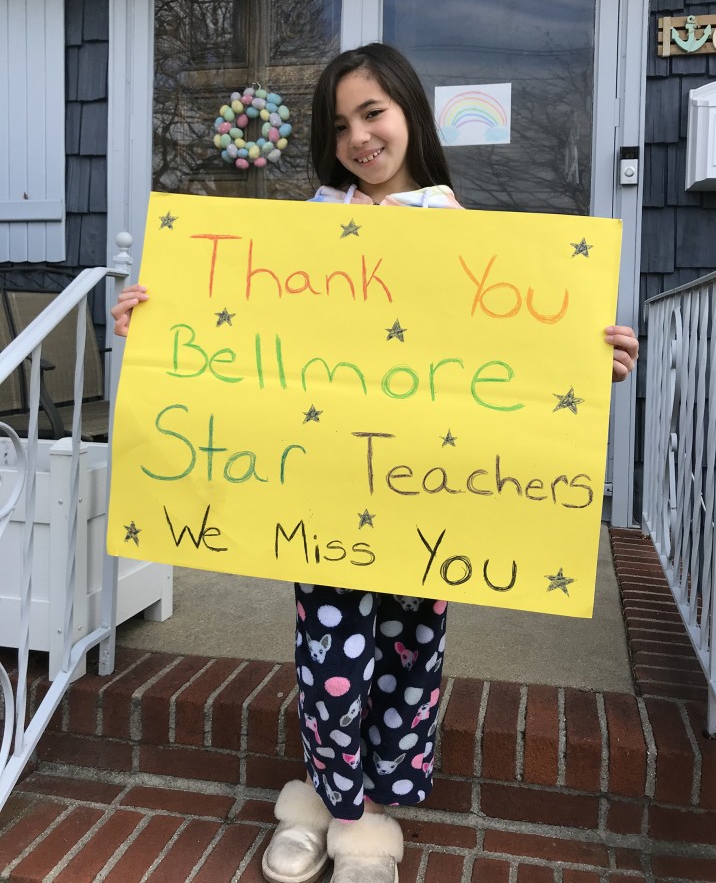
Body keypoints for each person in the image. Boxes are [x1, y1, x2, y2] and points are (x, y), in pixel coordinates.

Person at [112, 43, 639, 883]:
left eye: (374, 113)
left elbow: (514, 345)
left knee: (409, 655)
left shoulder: (468, 233)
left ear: (410, 117)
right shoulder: (304, 230)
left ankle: (375, 809)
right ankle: (334, 800)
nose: (360, 135)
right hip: (325, 497)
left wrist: (588, 355)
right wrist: (159, 319)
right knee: (329, 656)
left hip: (427, 496)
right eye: (341, 122)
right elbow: (249, 339)